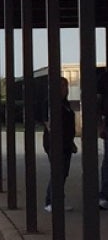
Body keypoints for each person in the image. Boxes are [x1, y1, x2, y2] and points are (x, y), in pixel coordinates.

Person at [44, 75, 76, 212]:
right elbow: (47, 121)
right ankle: (51, 201)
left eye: (66, 86)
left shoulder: (65, 103)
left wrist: (72, 142)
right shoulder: (50, 103)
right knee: (58, 171)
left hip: (67, 143)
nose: (65, 89)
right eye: (62, 86)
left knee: (63, 173)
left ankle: (58, 200)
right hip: (55, 143)